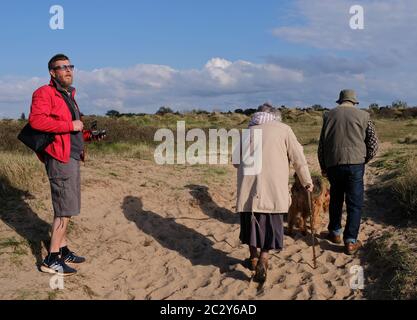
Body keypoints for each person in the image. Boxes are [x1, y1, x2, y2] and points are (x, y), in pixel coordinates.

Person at [29, 54, 100, 275]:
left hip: (71, 156)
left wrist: (88, 135)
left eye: (70, 66)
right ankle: (51, 259)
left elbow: (70, 131)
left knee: (66, 206)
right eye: (62, 67)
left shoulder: (68, 95)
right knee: (64, 208)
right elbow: (36, 120)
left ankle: (62, 249)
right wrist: (71, 124)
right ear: (52, 72)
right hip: (60, 158)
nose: (68, 70)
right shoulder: (44, 92)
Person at [235, 103, 313, 282]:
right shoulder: (284, 129)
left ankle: (253, 258)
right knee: (270, 224)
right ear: (274, 116)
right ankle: (263, 257)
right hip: (273, 188)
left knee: (250, 224)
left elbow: (235, 161)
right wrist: (307, 181)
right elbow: (298, 159)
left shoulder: (248, 131)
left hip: (249, 188)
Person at [318, 89, 379, 255]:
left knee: (336, 198)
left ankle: (335, 232)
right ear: (354, 102)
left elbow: (322, 145)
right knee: (354, 203)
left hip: (333, 164)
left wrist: (323, 165)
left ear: (339, 101)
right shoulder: (364, 116)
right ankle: (350, 241)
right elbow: (374, 143)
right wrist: (364, 159)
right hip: (355, 164)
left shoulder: (328, 116)